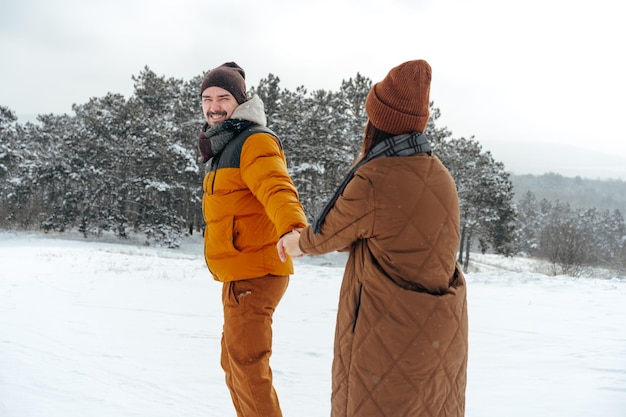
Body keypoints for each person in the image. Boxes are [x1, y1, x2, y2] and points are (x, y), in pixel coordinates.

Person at [277, 59, 468, 417]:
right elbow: (391, 231)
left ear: (379, 121)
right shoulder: (441, 175)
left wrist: (293, 243)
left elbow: (325, 234)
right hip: (439, 333)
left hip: (389, 331)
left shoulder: (374, 178)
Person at [198, 62, 307, 417]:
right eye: (207, 98)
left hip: (257, 273)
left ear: (239, 101)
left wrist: (293, 227)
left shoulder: (254, 140)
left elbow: (275, 186)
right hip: (240, 272)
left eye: (223, 97)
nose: (214, 105)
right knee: (234, 365)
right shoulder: (225, 145)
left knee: (248, 367)